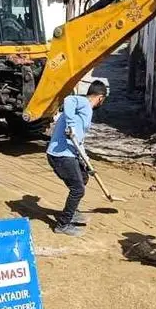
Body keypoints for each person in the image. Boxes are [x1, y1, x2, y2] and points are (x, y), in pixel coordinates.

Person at [46, 80, 108, 236]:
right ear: (100, 98)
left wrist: (87, 162)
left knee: (83, 177)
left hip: (69, 154)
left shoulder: (84, 111)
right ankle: (62, 225)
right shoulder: (83, 102)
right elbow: (68, 99)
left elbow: (79, 141)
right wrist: (71, 125)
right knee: (78, 189)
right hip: (60, 156)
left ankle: (72, 211)